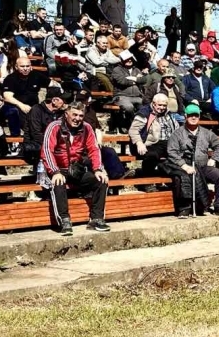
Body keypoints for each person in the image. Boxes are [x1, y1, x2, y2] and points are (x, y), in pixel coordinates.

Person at [40, 101, 112, 236]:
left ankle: (96, 219)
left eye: (80, 115)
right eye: (74, 115)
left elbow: (94, 149)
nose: (77, 118)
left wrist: (98, 169)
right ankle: (64, 220)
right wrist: (55, 171)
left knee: (101, 181)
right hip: (57, 168)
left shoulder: (87, 127)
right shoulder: (54, 126)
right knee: (58, 182)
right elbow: (47, 151)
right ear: (66, 114)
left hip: (76, 169)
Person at [166, 104, 219, 218]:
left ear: (199, 116)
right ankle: (184, 208)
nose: (193, 117)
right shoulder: (177, 133)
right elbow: (172, 152)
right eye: (191, 115)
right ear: (186, 116)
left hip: (203, 166)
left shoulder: (206, 133)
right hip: (185, 168)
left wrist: (214, 158)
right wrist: (183, 165)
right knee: (180, 179)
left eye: (196, 115)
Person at [128, 93, 179, 178]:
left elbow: (177, 128)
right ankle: (145, 178)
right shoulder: (144, 113)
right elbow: (133, 130)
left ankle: (172, 177)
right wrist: (139, 143)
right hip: (150, 143)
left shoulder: (169, 114)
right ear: (154, 103)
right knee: (152, 155)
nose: (162, 108)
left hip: (168, 143)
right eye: (160, 105)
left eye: (164, 105)